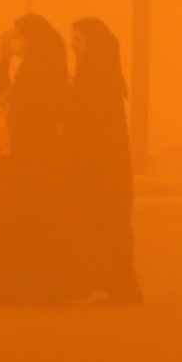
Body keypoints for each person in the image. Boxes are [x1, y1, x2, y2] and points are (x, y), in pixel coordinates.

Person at [0, 13, 101, 305]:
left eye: (19, 36)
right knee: (14, 222)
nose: (15, 41)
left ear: (33, 40)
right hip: (17, 159)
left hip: (27, 162)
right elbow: (2, 97)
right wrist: (3, 61)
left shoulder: (41, 73)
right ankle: (14, 284)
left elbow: (27, 115)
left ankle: (29, 284)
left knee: (19, 221)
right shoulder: (31, 70)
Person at [67, 18, 143, 304]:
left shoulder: (94, 76)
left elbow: (86, 123)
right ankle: (120, 285)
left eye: (78, 38)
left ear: (93, 43)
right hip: (106, 166)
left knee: (103, 224)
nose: (73, 44)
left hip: (98, 168)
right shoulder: (103, 73)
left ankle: (120, 286)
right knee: (110, 225)